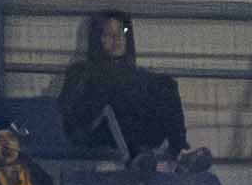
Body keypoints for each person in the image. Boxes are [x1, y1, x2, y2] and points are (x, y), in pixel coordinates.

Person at [58, 9, 194, 161]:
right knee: (120, 89)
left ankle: (178, 153)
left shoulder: (135, 75)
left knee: (165, 84)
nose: (116, 39)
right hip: (97, 132)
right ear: (97, 39)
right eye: (108, 34)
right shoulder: (81, 71)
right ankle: (139, 156)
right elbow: (69, 113)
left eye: (122, 32)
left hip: (133, 128)